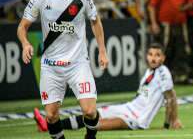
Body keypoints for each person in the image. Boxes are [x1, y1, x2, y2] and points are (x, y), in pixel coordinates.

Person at [16, 0, 110, 139]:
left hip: (78, 64)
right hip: (50, 67)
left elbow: (95, 21)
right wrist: (25, 44)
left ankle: (91, 138)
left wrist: (102, 51)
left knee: (90, 111)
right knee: (50, 115)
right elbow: (22, 27)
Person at [33, 43, 182, 132]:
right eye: (150, 54)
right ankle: (50, 125)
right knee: (93, 114)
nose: (153, 58)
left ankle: (51, 126)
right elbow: (145, 94)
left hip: (138, 118)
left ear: (163, 58)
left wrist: (171, 122)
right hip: (128, 107)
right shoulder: (150, 72)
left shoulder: (163, 72)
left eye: (157, 55)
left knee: (99, 125)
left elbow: (171, 96)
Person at [149, 0, 191, 84]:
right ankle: (164, 76)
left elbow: (187, 1)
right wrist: (154, 23)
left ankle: (182, 75)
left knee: (181, 49)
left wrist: (187, 7)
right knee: (166, 49)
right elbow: (152, 6)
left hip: (180, 24)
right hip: (166, 25)